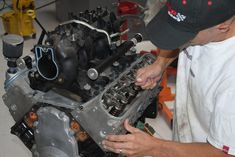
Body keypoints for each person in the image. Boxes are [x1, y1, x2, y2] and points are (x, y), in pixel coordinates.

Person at [102, 0, 235, 157]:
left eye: (187, 35)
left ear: (222, 27)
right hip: (184, 141)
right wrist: (160, 63)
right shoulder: (207, 26)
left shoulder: (230, 79)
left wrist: (155, 148)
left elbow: (224, 153)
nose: (182, 39)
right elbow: (181, 41)